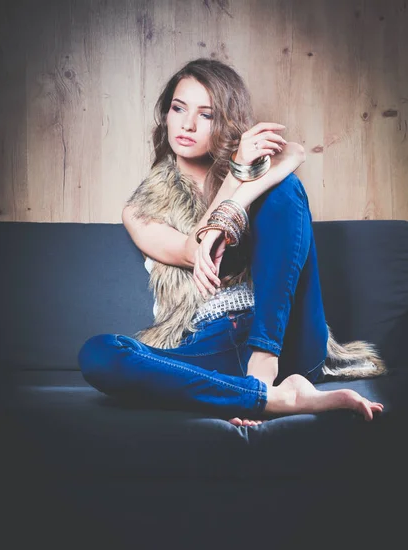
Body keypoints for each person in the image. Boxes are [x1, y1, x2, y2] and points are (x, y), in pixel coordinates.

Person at [78, 58, 385, 426]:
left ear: (224, 122)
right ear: (166, 115)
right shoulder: (140, 210)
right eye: (178, 108)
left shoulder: (249, 169)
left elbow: (294, 153)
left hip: (282, 334)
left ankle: (263, 365)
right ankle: (271, 397)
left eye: (206, 115)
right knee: (99, 354)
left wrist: (238, 195)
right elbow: (197, 250)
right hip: (213, 346)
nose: (187, 124)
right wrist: (232, 192)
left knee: (284, 187)